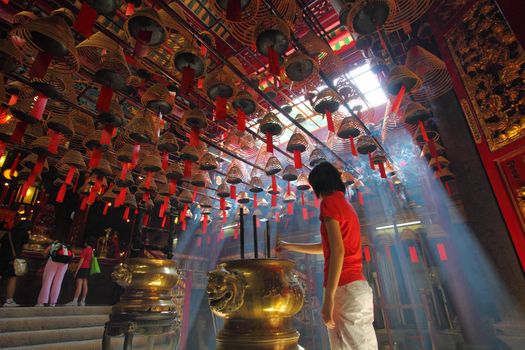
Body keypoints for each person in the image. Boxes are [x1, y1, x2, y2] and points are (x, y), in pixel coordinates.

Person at [277, 162, 378, 350]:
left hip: (344, 288)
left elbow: (338, 251)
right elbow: (328, 248)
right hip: (358, 289)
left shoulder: (329, 203)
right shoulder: (346, 206)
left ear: (320, 185)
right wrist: (289, 245)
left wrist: (329, 298)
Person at [0, 220, 30, 307]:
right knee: (12, 279)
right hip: (13, 259)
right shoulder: (24, 233)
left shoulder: (9, 232)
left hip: (2, 257)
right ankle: (9, 301)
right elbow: (26, 247)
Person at [35, 241, 72, 307]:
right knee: (58, 283)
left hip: (52, 262)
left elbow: (44, 253)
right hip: (64, 264)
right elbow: (72, 256)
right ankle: (53, 302)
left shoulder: (54, 244)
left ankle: (42, 302)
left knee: (47, 281)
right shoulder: (66, 247)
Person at [66, 237, 95, 306]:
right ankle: (83, 301)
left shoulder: (85, 250)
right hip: (87, 268)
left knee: (79, 285)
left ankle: (75, 301)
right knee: (85, 284)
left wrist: (76, 270)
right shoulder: (91, 250)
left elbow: (81, 261)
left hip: (82, 268)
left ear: (87, 243)